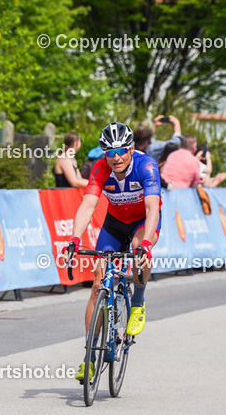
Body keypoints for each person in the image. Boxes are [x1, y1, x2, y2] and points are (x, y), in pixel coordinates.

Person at [64, 123, 161, 382]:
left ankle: (138, 301)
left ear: (130, 148)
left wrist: (147, 244)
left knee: (139, 253)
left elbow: (153, 209)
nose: (116, 157)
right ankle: (89, 357)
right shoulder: (101, 168)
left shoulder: (147, 166)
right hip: (114, 224)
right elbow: (88, 204)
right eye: (109, 152)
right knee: (97, 285)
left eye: (120, 151)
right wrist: (74, 238)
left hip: (142, 222)